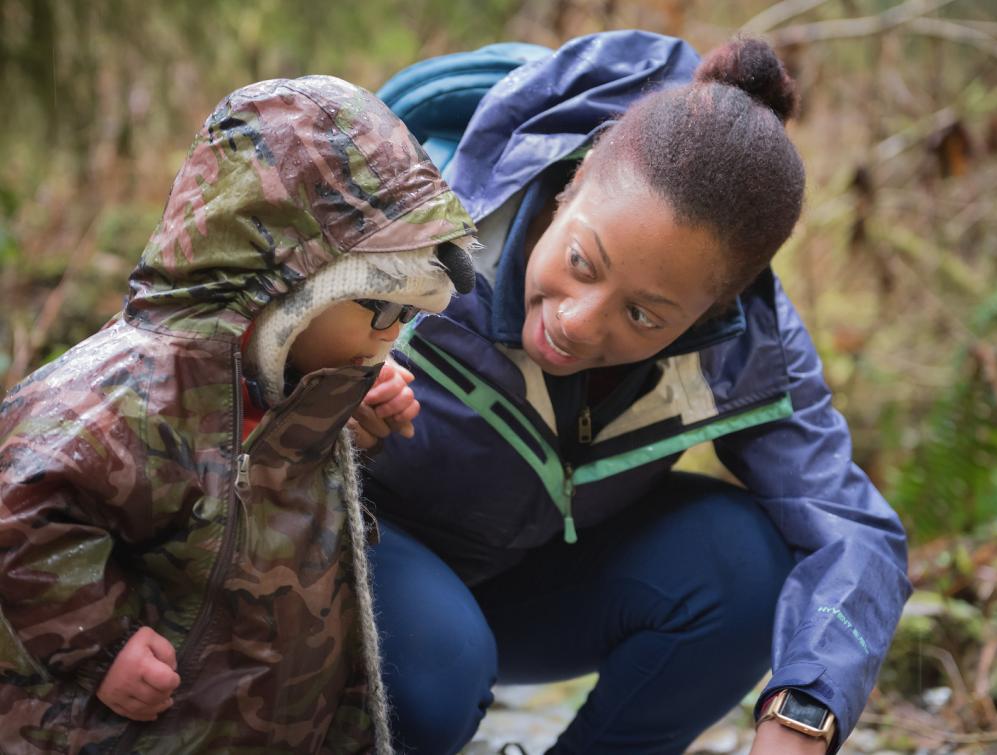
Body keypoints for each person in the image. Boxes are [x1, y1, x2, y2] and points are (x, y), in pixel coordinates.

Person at [364, 32, 911, 754]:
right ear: (575, 182)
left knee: (744, 564)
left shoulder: (743, 345)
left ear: (717, 308)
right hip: (360, 556)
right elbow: (204, 368)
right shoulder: (415, 213)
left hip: (520, 579)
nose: (575, 322)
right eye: (583, 261)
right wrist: (318, 407)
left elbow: (851, 527)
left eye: (644, 314)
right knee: (434, 675)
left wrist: (805, 711)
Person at [0, 75, 477, 754]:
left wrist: (344, 414)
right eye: (382, 310)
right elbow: (17, 511)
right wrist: (99, 643)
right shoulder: (129, 397)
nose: (393, 336)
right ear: (285, 294)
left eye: (410, 315)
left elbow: (263, 502)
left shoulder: (294, 379)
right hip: (142, 724)